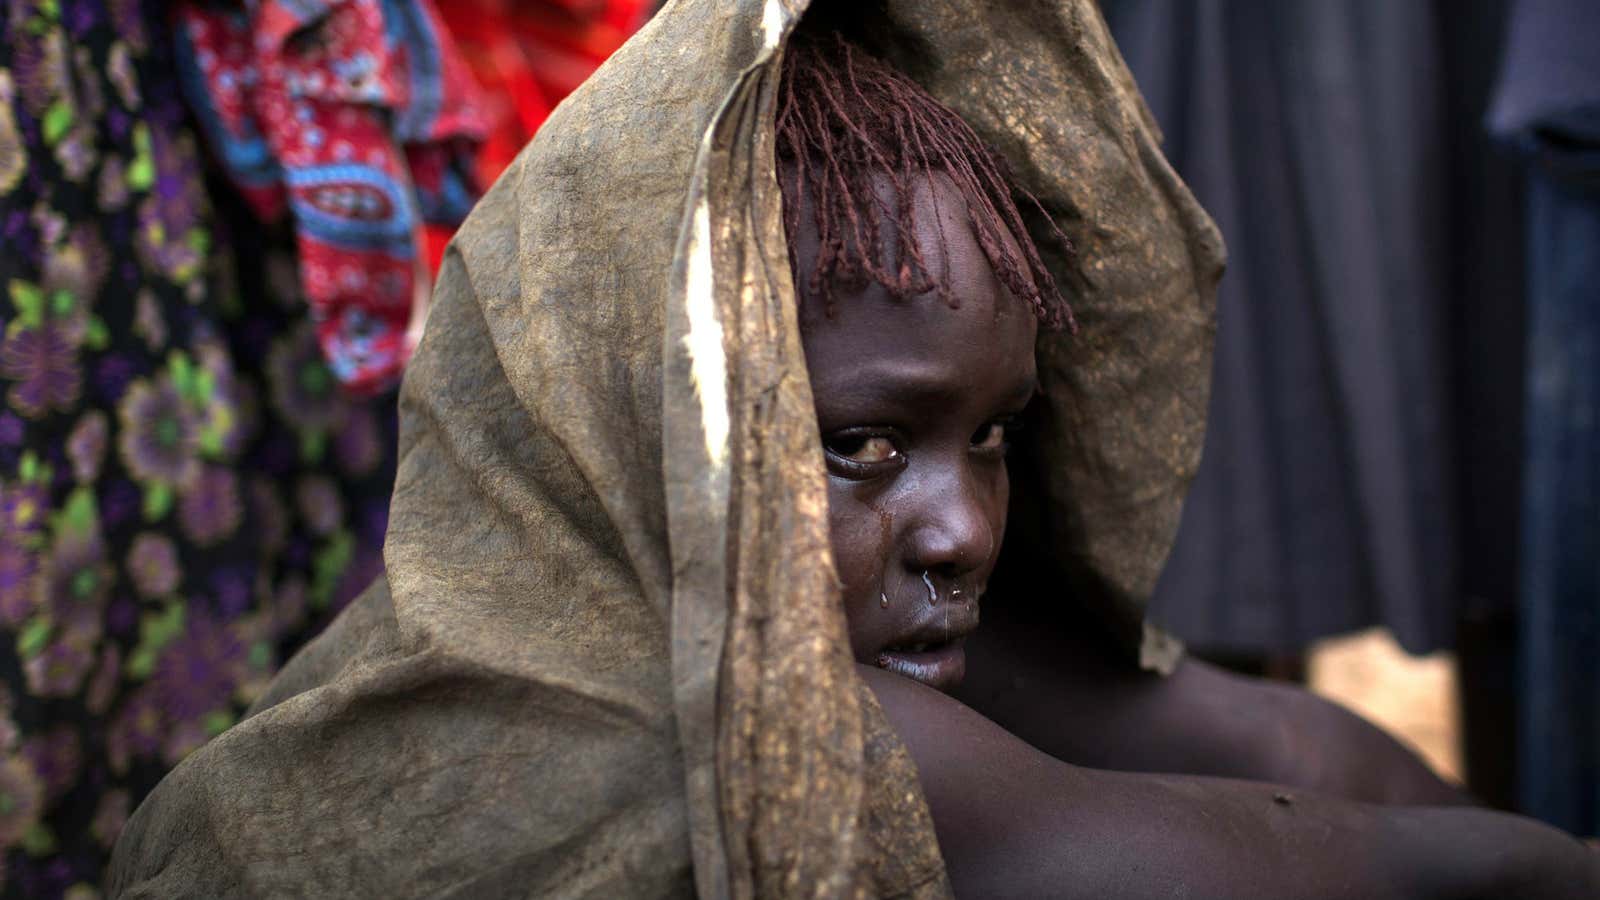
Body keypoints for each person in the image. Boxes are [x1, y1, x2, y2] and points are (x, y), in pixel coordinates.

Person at [107, 2, 1599, 897]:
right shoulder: (643, 706)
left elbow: (1273, 747)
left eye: (995, 436)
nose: (963, 529)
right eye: (865, 448)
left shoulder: (757, 584)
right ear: (650, 417)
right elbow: (1336, 865)